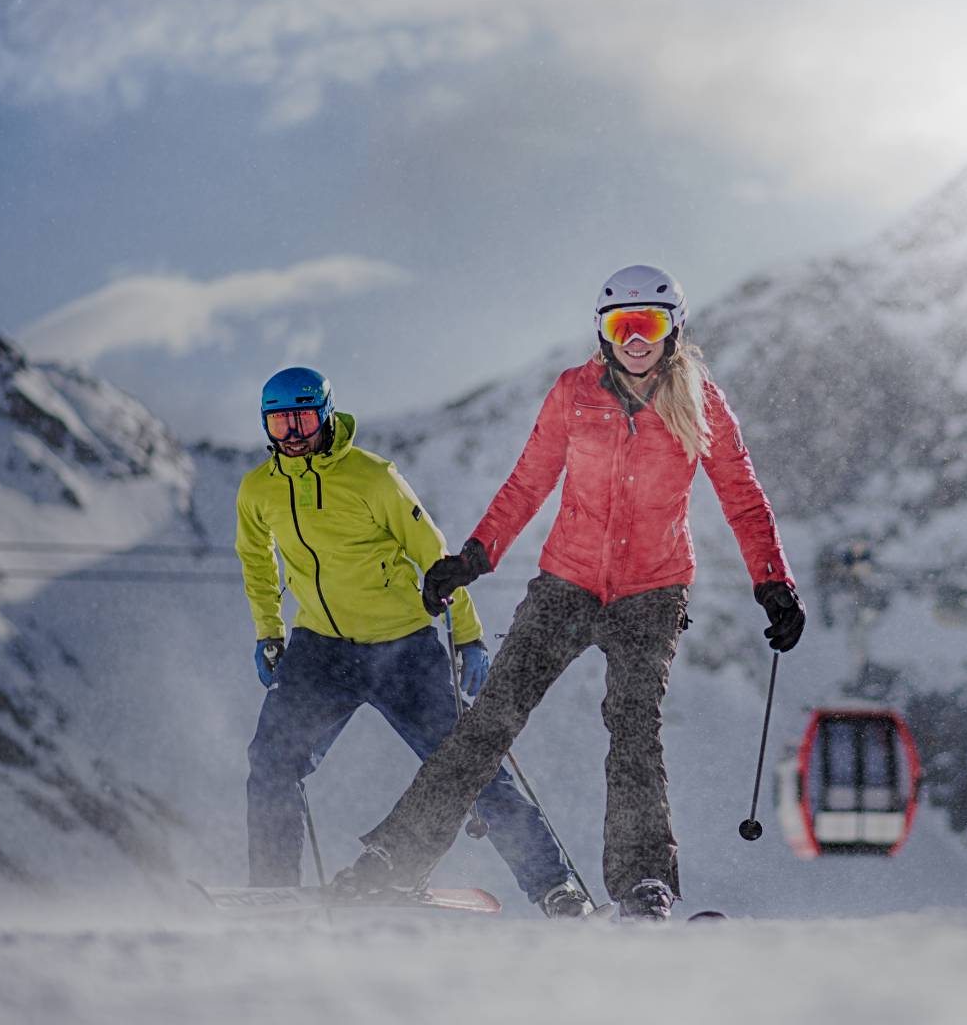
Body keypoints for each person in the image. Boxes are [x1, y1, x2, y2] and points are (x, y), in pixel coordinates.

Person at [329, 265, 806, 920]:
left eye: (650, 325)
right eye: (621, 326)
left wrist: (773, 583)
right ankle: (393, 860)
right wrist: (472, 557)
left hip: (652, 594)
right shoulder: (572, 394)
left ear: (675, 332)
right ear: (603, 333)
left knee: (635, 730)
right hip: (566, 585)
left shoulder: (703, 404)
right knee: (488, 723)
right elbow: (528, 483)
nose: (635, 340)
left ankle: (643, 881)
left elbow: (744, 497)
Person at [234, 365, 593, 917]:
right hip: (320, 649)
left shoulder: (373, 477)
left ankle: (555, 888)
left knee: (469, 765)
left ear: (327, 416)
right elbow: (256, 560)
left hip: (400, 648)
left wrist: (469, 636)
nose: (294, 435)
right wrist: (269, 631)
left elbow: (436, 556)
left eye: (303, 419)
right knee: (272, 760)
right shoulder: (259, 490)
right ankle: (273, 892)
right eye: (280, 425)